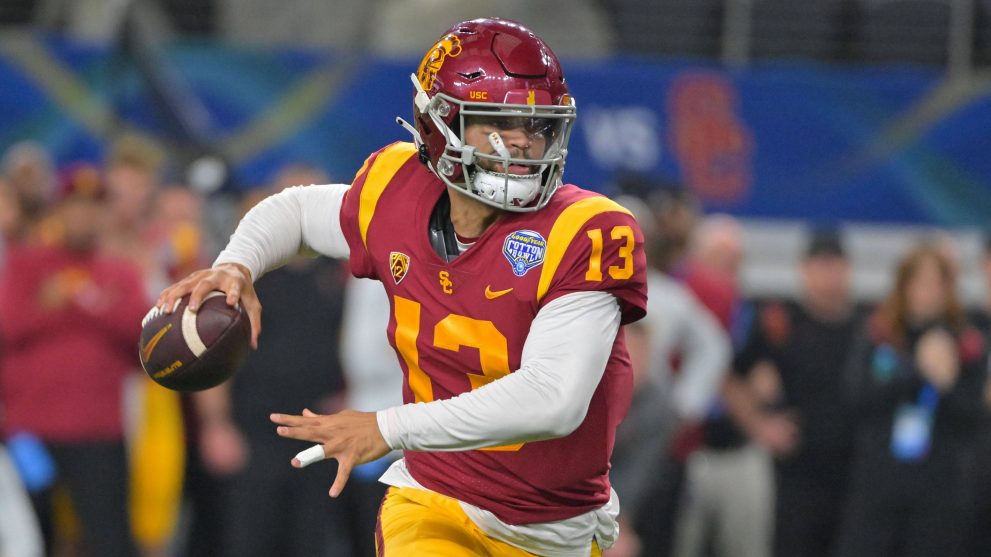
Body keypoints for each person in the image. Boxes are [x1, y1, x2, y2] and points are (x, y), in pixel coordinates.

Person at [158, 17, 647, 556]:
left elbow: (554, 400)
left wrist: (388, 427)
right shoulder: (396, 189)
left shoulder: (587, 229)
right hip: (434, 497)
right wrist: (238, 264)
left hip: (555, 529)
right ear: (442, 124)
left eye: (537, 126)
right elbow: (295, 210)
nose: (523, 143)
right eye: (499, 121)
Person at [0, 192, 147, 557]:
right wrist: (51, 307)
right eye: (73, 208)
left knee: (109, 538)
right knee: (27, 536)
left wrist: (83, 302)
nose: (81, 217)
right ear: (58, 213)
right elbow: (7, 327)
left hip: (98, 433)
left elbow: (143, 338)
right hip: (30, 435)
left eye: (90, 208)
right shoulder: (26, 265)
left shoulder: (119, 271)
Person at [834, 244, 986, 557]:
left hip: (937, 483)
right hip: (879, 479)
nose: (926, 293)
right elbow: (856, 397)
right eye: (919, 282)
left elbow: (973, 416)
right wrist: (915, 370)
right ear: (903, 286)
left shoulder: (966, 341)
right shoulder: (879, 334)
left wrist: (946, 382)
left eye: (935, 284)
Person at [724, 229, 864, 557]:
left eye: (835, 265)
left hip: (854, 472)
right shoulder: (780, 322)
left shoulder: (866, 326)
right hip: (796, 474)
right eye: (820, 265)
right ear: (804, 270)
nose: (828, 274)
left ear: (848, 270)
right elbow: (729, 378)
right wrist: (758, 424)